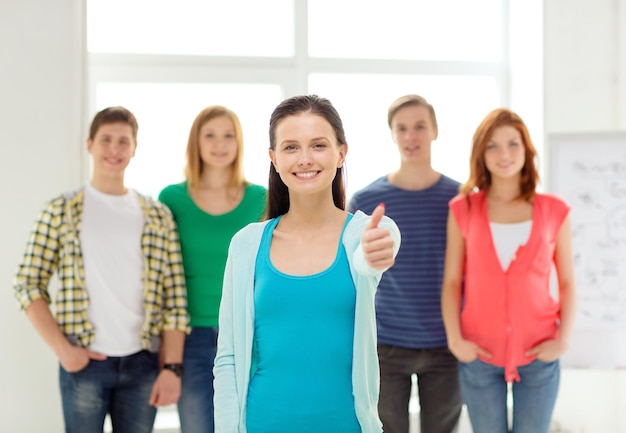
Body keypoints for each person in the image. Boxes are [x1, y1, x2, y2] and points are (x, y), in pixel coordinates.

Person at [213, 94, 401, 433]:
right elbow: (227, 358)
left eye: (318, 145)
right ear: (273, 159)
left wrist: (373, 256)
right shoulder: (246, 244)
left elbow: (374, 256)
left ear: (341, 153)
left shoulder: (365, 234)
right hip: (262, 423)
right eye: (290, 148)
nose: (304, 159)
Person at [13, 106, 189, 433]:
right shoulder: (60, 210)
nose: (114, 149)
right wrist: (63, 350)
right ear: (90, 144)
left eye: (123, 141)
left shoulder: (157, 215)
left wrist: (172, 368)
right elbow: (27, 283)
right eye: (106, 139)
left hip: (142, 364)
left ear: (134, 149)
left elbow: (174, 299)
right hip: (84, 364)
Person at [441, 108, 576, 433]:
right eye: (493, 145)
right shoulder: (464, 209)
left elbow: (568, 282)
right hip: (479, 354)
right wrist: (456, 341)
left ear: (527, 150)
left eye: (513, 144)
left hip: (539, 351)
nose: (504, 154)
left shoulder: (554, 210)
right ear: (481, 153)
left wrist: (563, 341)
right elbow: (451, 282)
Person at [348, 94, 462, 433]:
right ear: (392, 134)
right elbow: (354, 274)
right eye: (402, 128)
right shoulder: (366, 200)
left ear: (435, 131)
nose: (411, 136)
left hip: (445, 345)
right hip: (385, 344)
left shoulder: (459, 199)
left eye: (419, 127)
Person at [159, 105, 267, 433]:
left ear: (239, 143)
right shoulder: (172, 198)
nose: (219, 144)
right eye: (210, 135)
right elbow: (164, 277)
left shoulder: (260, 198)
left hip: (246, 332)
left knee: (248, 425)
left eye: (228, 136)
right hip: (190, 338)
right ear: (196, 142)